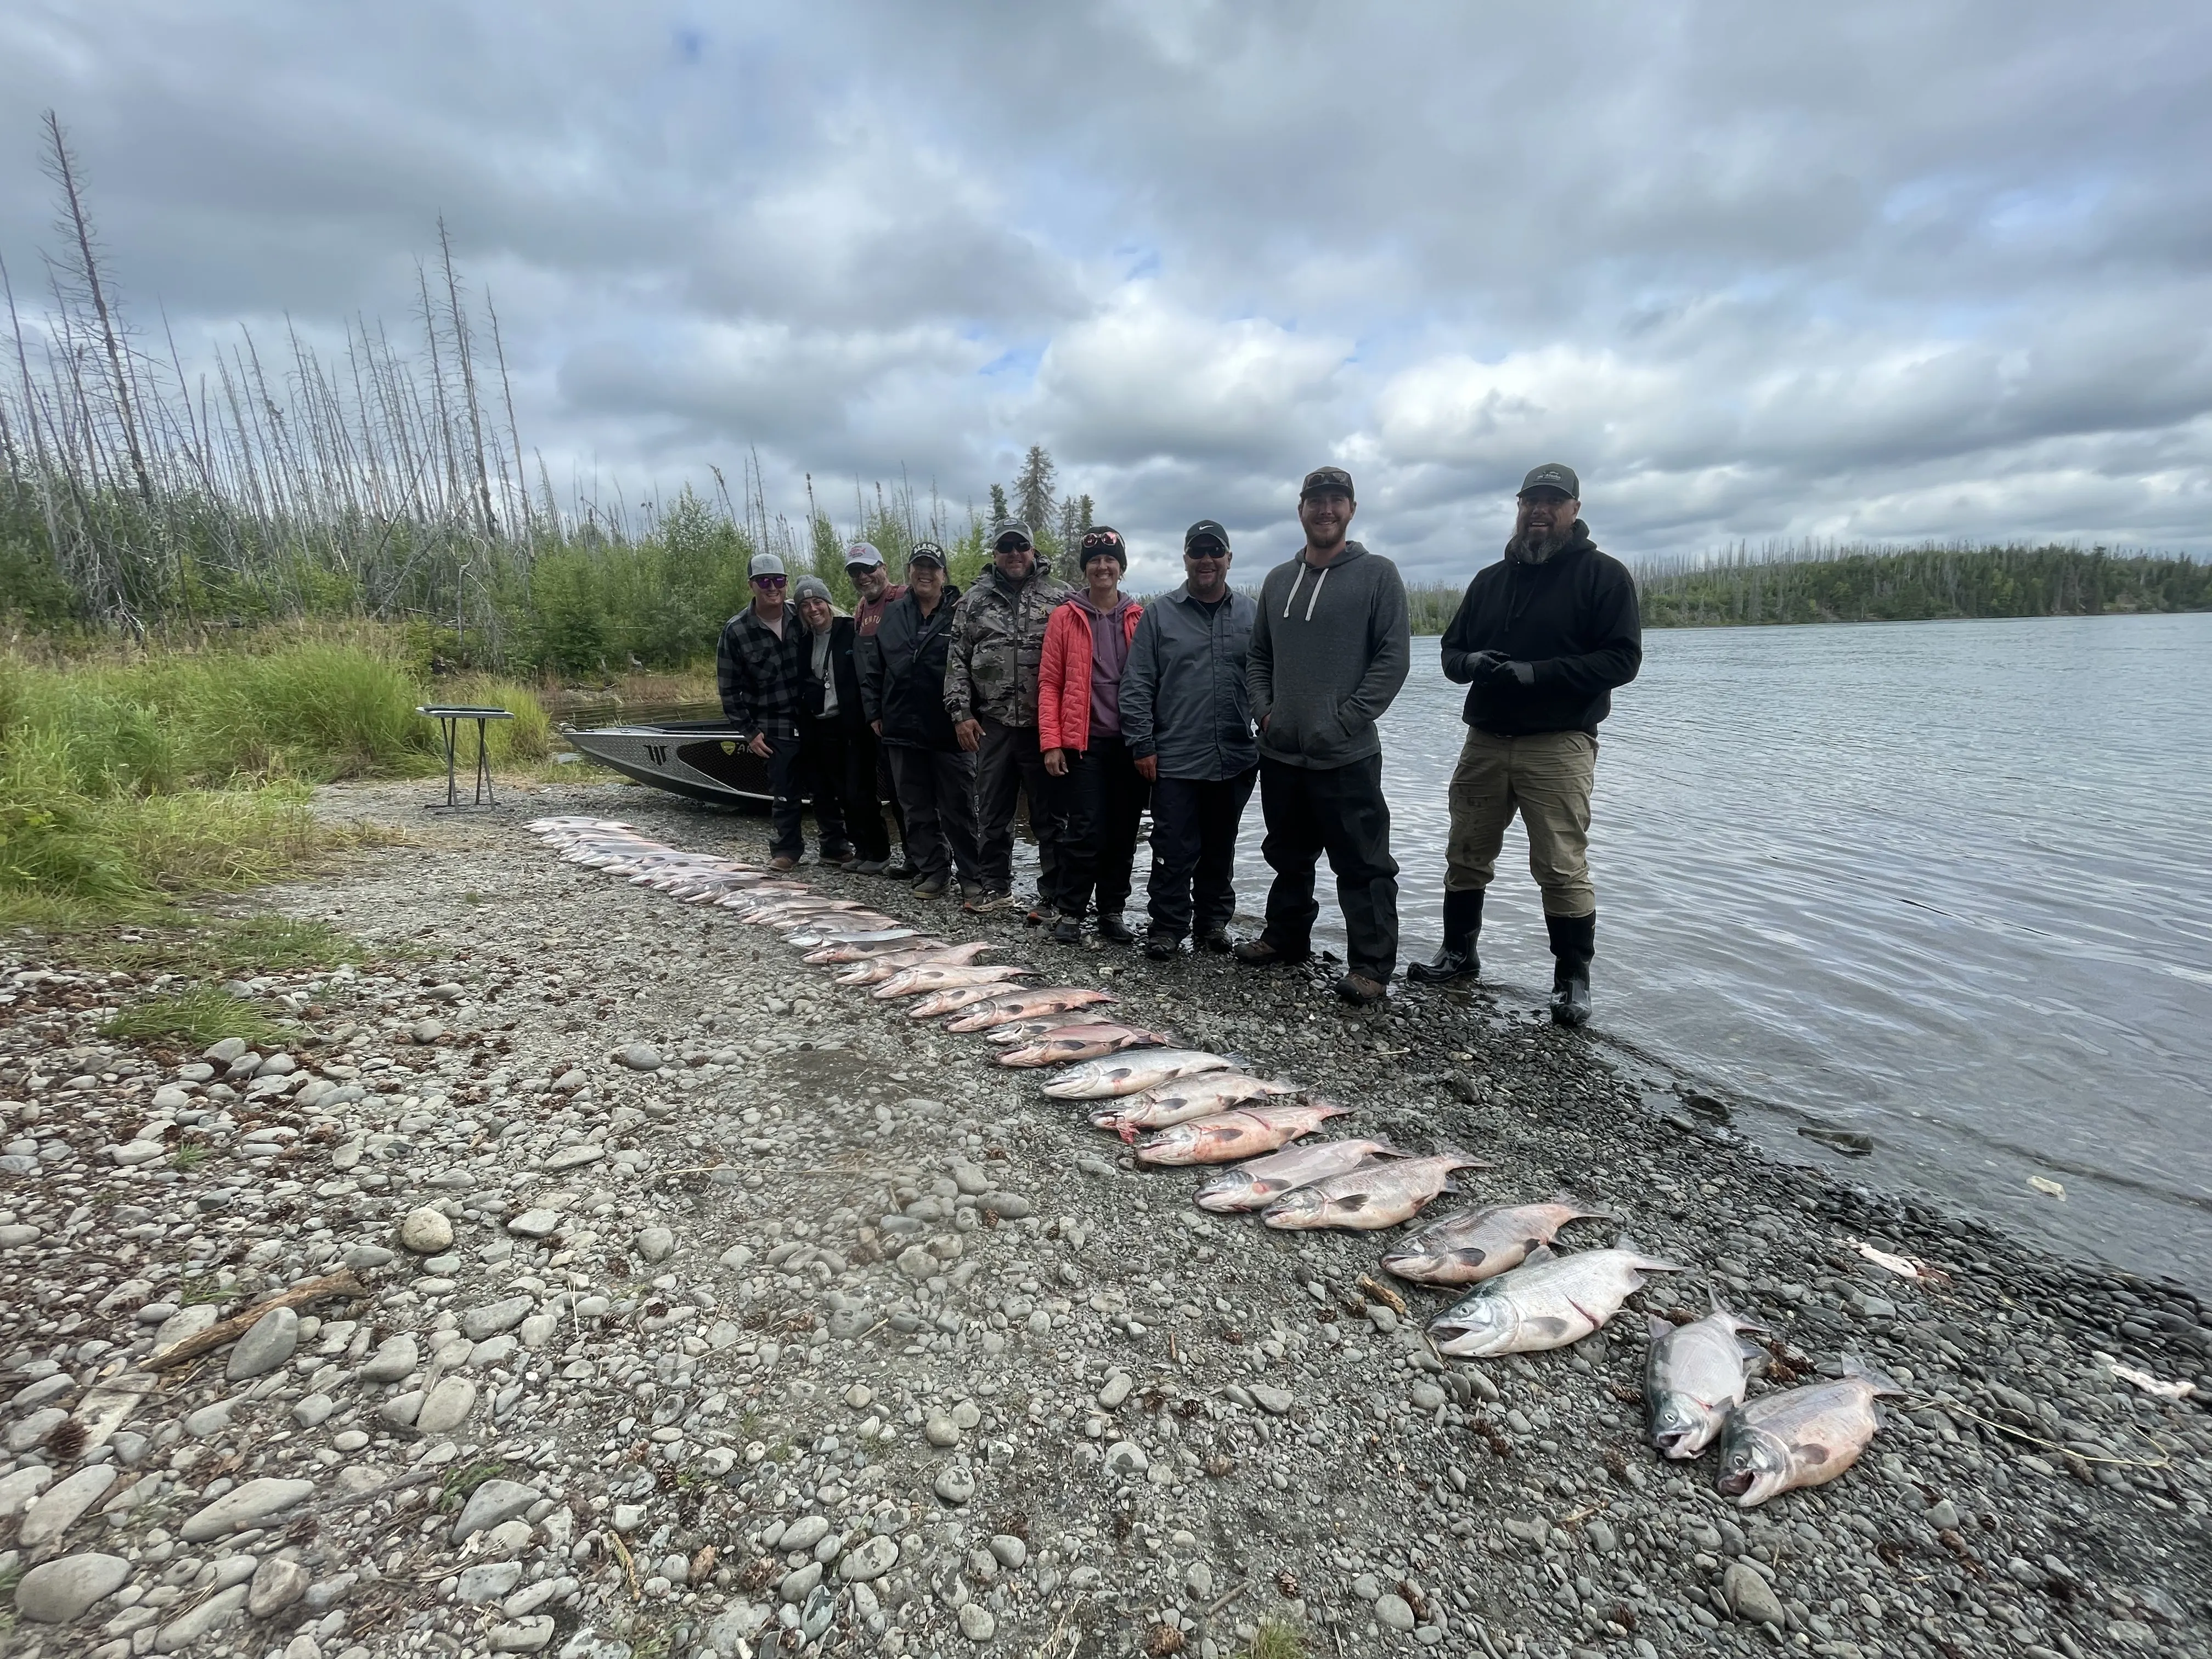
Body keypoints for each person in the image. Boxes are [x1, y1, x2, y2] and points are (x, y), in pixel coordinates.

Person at [1410, 462, 1641, 1026]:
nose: (1539, 510)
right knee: (1466, 852)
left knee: (1561, 864)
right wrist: (1471, 662)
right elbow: (1450, 653)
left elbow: (1622, 660)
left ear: (1574, 510)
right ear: (1519, 508)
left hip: (1559, 744)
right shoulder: (1490, 580)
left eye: (1552, 501)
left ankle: (1572, 981)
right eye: (1530, 501)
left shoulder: (1604, 576)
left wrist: (1537, 673)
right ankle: (1458, 954)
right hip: (1485, 740)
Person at [1238, 466, 1410, 1005]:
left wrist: (1346, 720)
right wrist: (1265, 712)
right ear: (1301, 510)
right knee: (1287, 856)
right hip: (1282, 752)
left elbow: (1392, 660)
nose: (1326, 509)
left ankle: (1371, 967)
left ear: (1351, 509)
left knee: (1364, 865)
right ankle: (1286, 938)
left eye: (1337, 500)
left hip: (1347, 755)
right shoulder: (1277, 581)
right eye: (1316, 501)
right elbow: (1258, 656)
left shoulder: (1378, 575)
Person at [1121, 519, 1259, 959]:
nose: (1206, 560)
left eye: (1215, 551)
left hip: (1235, 756)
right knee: (1172, 847)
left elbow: (1268, 680)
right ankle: (1167, 926)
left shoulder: (1253, 614)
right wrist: (1142, 744)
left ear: (1228, 558)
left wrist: (1271, 730)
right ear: (1185, 559)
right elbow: (1137, 684)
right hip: (1174, 758)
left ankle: (1213, 923)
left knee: (1221, 846)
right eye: (1198, 551)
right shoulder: (1159, 614)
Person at [945, 520, 1072, 915]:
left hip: (1045, 727)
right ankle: (996, 888)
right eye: (1006, 547)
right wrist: (961, 714)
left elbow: (1079, 660)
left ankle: (1055, 895)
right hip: (993, 724)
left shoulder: (1062, 597)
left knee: (1051, 816)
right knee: (993, 812)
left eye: (1021, 546)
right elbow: (956, 661)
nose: (1014, 553)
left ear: (1033, 550)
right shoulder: (973, 601)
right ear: (995, 553)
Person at [1037, 526, 1146, 945]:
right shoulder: (1065, 617)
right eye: (1095, 561)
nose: (1103, 567)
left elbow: (1153, 683)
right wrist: (1051, 742)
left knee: (1123, 832)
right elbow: (1049, 683)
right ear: (1085, 569)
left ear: (1121, 567)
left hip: (1129, 743)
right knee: (1084, 831)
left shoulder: (1140, 617)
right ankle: (1071, 910)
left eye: (1110, 560)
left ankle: (1112, 911)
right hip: (1083, 744)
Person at [857, 543, 983, 899]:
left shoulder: (962, 611)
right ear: (909, 571)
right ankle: (934, 871)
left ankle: (973, 875)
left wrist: (972, 715)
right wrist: (874, 712)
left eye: (932, 567)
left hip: (950, 729)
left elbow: (977, 666)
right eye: (918, 566)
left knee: (959, 807)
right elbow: (874, 668)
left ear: (944, 573)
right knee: (915, 807)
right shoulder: (894, 613)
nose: (925, 573)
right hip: (901, 725)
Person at [717, 551, 835, 871]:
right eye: (764, 581)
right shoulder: (736, 631)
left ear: (786, 583)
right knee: (785, 791)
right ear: (752, 585)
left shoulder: (803, 615)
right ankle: (787, 850)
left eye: (779, 580)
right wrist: (749, 732)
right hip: (772, 724)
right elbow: (728, 689)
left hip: (813, 718)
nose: (773, 587)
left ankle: (835, 847)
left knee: (825, 785)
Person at [793, 574, 886, 871]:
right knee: (841, 791)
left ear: (828, 603)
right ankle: (860, 850)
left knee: (861, 789)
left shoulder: (849, 629)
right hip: (820, 724)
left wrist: (873, 713)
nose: (813, 609)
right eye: (805, 605)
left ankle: (879, 852)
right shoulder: (804, 639)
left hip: (853, 722)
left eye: (817, 602)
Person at [843, 540, 910, 877]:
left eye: (868, 569)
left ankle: (919, 859)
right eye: (856, 572)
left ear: (883, 567)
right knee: (865, 786)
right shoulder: (860, 609)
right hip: (871, 713)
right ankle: (879, 852)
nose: (863, 577)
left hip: (900, 711)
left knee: (904, 791)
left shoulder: (903, 598)